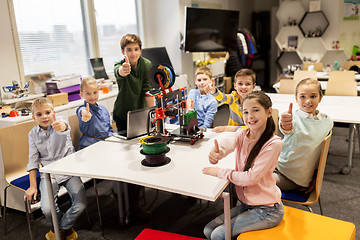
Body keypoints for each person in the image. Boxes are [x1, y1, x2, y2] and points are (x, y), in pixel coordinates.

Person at [202, 91, 283, 240]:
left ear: (269, 112)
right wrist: (217, 154)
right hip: (247, 205)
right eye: (245, 112)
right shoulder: (243, 134)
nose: (250, 116)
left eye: (256, 110)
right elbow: (228, 143)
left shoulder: (273, 143)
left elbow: (250, 178)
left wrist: (219, 171)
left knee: (218, 235)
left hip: (268, 210)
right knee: (208, 230)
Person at [25, 97, 86, 240]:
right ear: (34, 117)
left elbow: (63, 127)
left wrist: (61, 126)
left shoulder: (60, 121)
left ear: (53, 112)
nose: (44, 116)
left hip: (68, 169)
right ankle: (66, 228)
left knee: (81, 203)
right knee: (46, 209)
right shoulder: (32, 134)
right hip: (49, 173)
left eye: (47, 112)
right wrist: (32, 186)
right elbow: (33, 161)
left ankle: (59, 228)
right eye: (39, 114)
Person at [274, 78, 333, 191]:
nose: (307, 101)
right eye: (302, 96)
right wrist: (285, 124)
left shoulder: (327, 121)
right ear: (296, 98)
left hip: (291, 177)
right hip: (277, 165)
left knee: (247, 183)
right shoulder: (291, 118)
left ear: (321, 97)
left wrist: (317, 176)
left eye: (313, 96)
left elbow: (322, 153)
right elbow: (287, 129)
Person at [113, 34, 154, 132]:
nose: (133, 53)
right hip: (122, 114)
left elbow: (147, 91)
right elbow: (118, 71)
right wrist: (123, 70)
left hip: (140, 113)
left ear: (140, 50)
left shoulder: (146, 64)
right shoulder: (119, 65)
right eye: (129, 50)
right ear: (123, 51)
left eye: (136, 49)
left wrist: (152, 114)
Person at [204, 68, 256, 132]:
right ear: (235, 86)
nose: (243, 87)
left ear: (253, 86)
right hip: (233, 134)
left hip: (249, 134)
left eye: (247, 84)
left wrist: (226, 128)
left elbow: (252, 127)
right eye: (240, 83)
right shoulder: (233, 98)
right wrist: (213, 91)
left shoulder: (256, 103)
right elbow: (223, 98)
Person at [76, 77, 113, 150]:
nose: (92, 96)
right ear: (81, 94)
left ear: (98, 91)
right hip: (89, 146)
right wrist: (85, 114)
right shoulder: (83, 109)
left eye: (95, 92)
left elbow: (109, 129)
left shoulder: (103, 109)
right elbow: (82, 112)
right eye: (88, 93)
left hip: (107, 144)